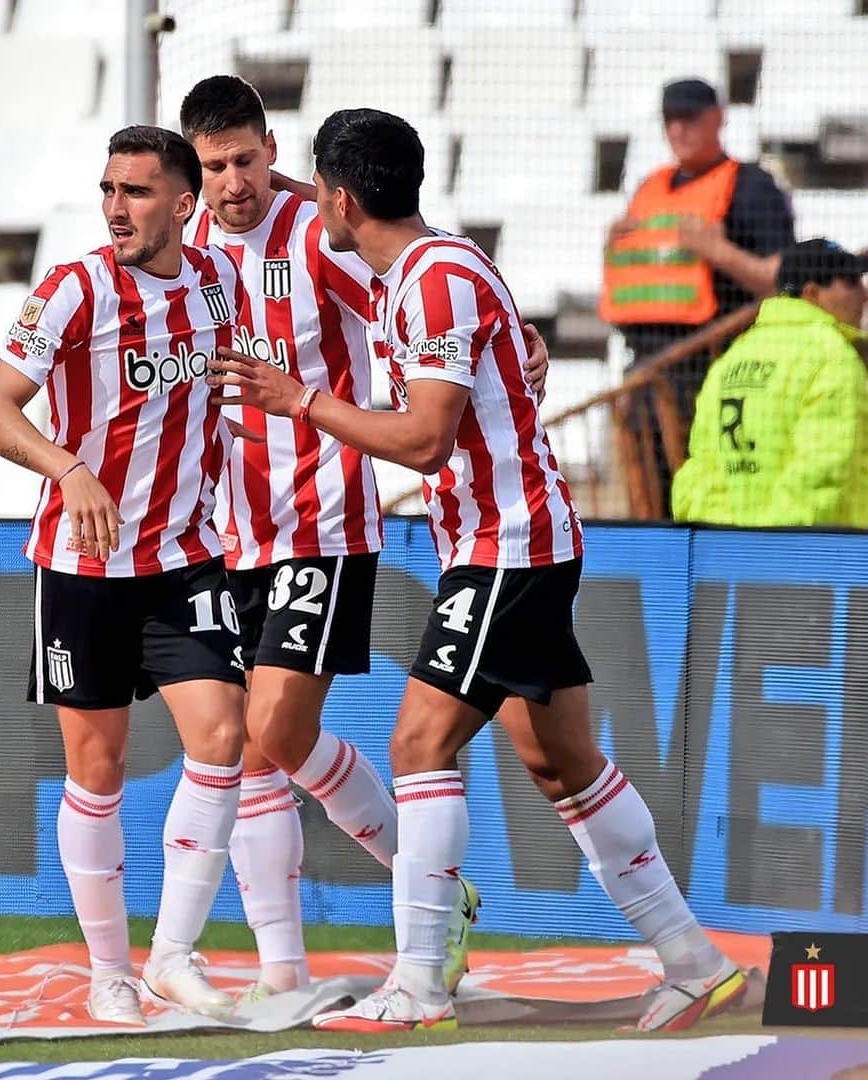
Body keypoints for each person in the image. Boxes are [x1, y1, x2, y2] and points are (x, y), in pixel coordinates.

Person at [210, 107, 746, 1034]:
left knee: (421, 744)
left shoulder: (433, 281)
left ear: (340, 200)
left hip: (508, 544)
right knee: (558, 759)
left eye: (314, 190)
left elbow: (423, 441)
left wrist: (301, 399)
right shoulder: (428, 265)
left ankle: (417, 983)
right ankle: (693, 961)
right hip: (511, 540)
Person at [178, 75, 549, 1002]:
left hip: (320, 514)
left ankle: (425, 893)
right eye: (215, 166)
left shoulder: (317, 234)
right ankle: (284, 970)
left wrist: (517, 339)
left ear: (273, 150)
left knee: (270, 728)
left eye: (247, 161)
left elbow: (427, 292)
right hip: (230, 527)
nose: (234, 184)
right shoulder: (180, 251)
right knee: (257, 750)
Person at [0, 125, 251, 1027]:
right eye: (108, 190)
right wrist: (68, 466)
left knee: (222, 736)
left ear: (183, 203)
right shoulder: (75, 287)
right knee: (98, 768)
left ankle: (171, 954)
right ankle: (109, 972)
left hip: (181, 554)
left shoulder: (219, 282)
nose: (117, 209)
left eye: (136, 192)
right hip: (84, 561)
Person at [600, 77, 795, 510]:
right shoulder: (650, 188)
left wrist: (718, 252)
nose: (678, 131)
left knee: (710, 503)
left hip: (715, 375)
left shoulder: (751, 186)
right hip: (646, 378)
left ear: (718, 118)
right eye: (670, 120)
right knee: (652, 508)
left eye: (690, 118)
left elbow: (785, 281)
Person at [673, 238, 867, 527]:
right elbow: (824, 472)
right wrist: (773, 544)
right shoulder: (833, 357)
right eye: (851, 282)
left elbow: (702, 469)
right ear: (812, 293)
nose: (863, 294)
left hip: (728, 556)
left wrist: (732, 539)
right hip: (821, 560)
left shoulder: (732, 357)